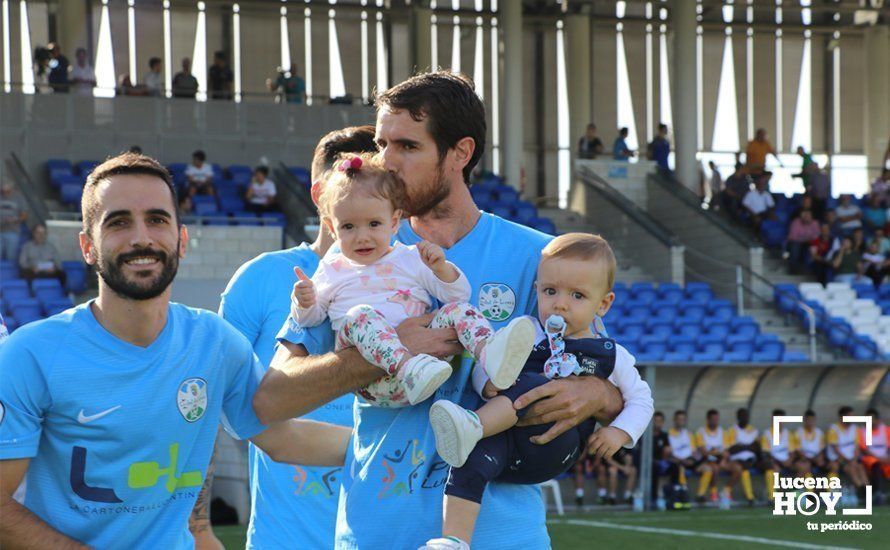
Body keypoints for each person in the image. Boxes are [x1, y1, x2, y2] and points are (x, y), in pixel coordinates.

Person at [254, 71, 625, 549]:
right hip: (377, 534)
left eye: (407, 146)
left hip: (502, 537)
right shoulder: (354, 251)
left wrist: (595, 394)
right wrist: (380, 354)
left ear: (460, 153)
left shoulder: (540, 257)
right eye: (381, 144)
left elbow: (616, 388)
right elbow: (272, 400)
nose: (386, 161)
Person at [0, 152, 352, 549]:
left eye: (157, 219)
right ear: (87, 246)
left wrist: (383, 445)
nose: (141, 237)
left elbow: (282, 437)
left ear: (181, 240)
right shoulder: (30, 354)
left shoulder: (213, 342)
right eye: (118, 223)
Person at [423, 233, 653, 548]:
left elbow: (642, 399)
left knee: (538, 384)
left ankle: (471, 425)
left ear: (604, 304)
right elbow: (485, 361)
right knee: (466, 463)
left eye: (578, 296)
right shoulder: (525, 331)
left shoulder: (611, 354)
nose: (560, 303)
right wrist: (487, 383)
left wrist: (620, 433)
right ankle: (453, 540)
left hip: (552, 447)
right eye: (550, 291)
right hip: (502, 445)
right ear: (536, 291)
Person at [220, 126, 378, 549]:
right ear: (319, 194)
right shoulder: (259, 279)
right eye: (349, 185)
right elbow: (220, 405)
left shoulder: (410, 280)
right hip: (285, 539)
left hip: (386, 529)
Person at [292, 153, 536, 409]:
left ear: (394, 222)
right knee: (359, 315)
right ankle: (407, 367)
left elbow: (457, 296)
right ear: (332, 228)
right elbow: (312, 318)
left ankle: (490, 354)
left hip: (429, 368)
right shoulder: (332, 268)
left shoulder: (409, 258)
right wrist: (305, 301)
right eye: (348, 227)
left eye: (374, 224)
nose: (362, 236)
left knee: (458, 311)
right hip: (374, 382)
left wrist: (441, 269)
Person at [826, 406, 869, 504]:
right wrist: (849, 461)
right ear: (841, 417)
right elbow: (836, 450)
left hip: (852, 459)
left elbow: (857, 447)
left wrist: (854, 459)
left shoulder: (855, 429)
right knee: (851, 469)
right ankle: (861, 491)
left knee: (860, 467)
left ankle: (866, 491)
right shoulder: (833, 429)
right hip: (839, 459)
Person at [666, 410, 705, 508]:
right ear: (674, 420)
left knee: (708, 468)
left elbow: (695, 452)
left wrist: (691, 459)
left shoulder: (689, 434)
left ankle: (700, 495)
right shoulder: (669, 434)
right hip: (676, 462)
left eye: (683, 419)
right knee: (679, 469)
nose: (681, 421)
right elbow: (667, 452)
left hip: (689, 461)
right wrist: (679, 460)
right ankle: (682, 496)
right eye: (679, 419)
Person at [722, 408, 759, 507]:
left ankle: (728, 492)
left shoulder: (753, 431)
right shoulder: (731, 431)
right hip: (736, 460)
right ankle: (749, 497)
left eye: (746, 416)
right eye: (743, 416)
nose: (745, 418)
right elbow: (731, 449)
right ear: (738, 417)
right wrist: (747, 446)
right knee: (743, 471)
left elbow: (755, 447)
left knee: (743, 469)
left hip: (751, 460)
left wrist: (741, 446)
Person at [760, 408, 796, 503]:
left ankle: (800, 495)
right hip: (774, 462)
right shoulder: (767, 434)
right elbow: (766, 453)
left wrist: (790, 460)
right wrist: (779, 463)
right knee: (771, 470)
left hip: (787, 462)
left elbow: (792, 451)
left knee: (804, 468)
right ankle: (772, 498)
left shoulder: (788, 434)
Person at [695, 409, 728, 503]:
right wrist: (716, 457)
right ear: (708, 419)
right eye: (713, 419)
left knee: (737, 468)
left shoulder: (722, 432)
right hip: (702, 461)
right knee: (713, 467)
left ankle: (723, 492)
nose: (715, 421)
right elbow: (704, 453)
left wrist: (722, 459)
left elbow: (725, 452)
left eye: (717, 419)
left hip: (718, 461)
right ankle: (709, 493)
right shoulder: (701, 432)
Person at [859, 408, 889, 504]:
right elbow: (864, 449)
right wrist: (879, 458)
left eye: (872, 419)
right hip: (870, 459)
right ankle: (878, 493)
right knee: (875, 464)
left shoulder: (885, 430)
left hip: (886, 459)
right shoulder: (863, 431)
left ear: (877, 420)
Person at [785, 210, 820, 274]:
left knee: (814, 247)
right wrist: (806, 239)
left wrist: (806, 239)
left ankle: (810, 270)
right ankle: (793, 270)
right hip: (796, 243)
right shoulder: (796, 222)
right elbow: (793, 237)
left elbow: (816, 236)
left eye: (809, 216)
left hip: (809, 243)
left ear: (812, 217)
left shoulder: (815, 223)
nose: (807, 217)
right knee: (795, 247)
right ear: (802, 216)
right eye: (805, 216)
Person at [794, 410, 826, 477]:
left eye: (812, 420)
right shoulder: (798, 432)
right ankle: (795, 485)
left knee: (823, 463)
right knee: (805, 466)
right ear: (804, 420)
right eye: (808, 420)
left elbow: (821, 450)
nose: (810, 422)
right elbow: (797, 450)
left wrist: (819, 457)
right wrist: (809, 459)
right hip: (803, 459)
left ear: (815, 420)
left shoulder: (819, 432)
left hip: (815, 458)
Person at [1, 183, 27, 261]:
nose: (5, 193)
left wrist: (16, 220)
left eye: (8, 191)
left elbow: (24, 215)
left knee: (11, 257)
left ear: (12, 190)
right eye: (3, 191)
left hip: (12, 231)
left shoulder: (19, 198)